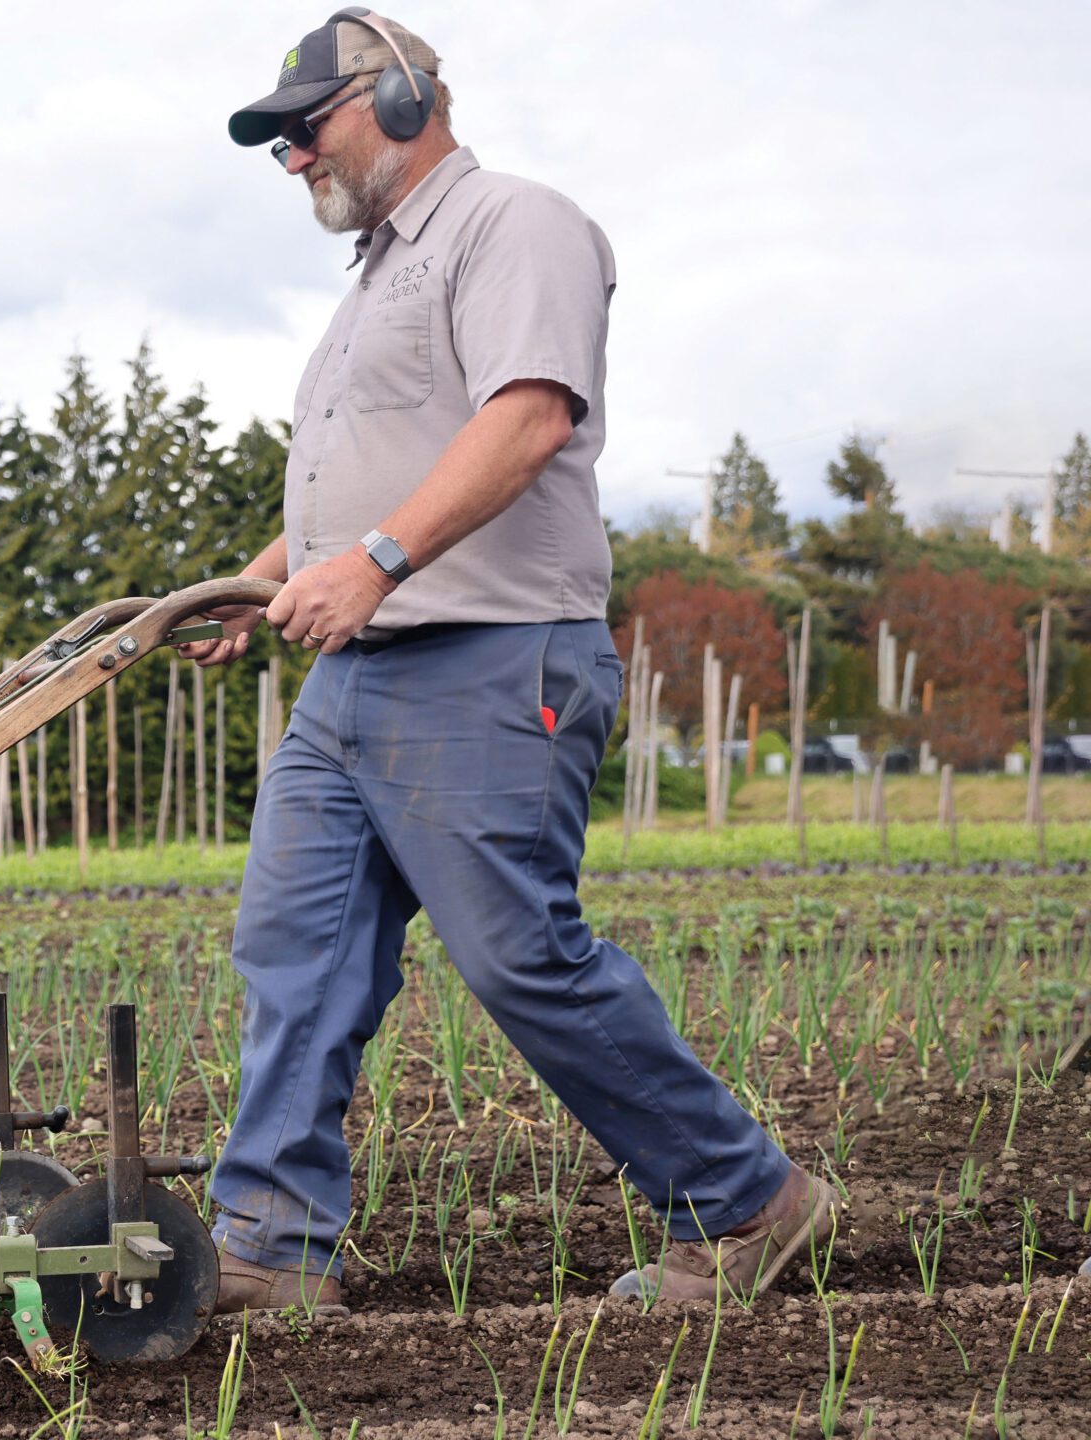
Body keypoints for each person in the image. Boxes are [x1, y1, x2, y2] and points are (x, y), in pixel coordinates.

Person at [182, 8, 835, 1314]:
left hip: (488, 654)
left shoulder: (514, 225)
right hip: (355, 676)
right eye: (278, 145)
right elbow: (381, 470)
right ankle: (268, 1245)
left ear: (406, 96)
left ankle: (748, 1202)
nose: (295, 159)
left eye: (305, 130)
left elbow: (529, 416)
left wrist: (369, 559)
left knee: (519, 954)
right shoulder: (373, 280)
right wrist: (259, 581)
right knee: (292, 951)